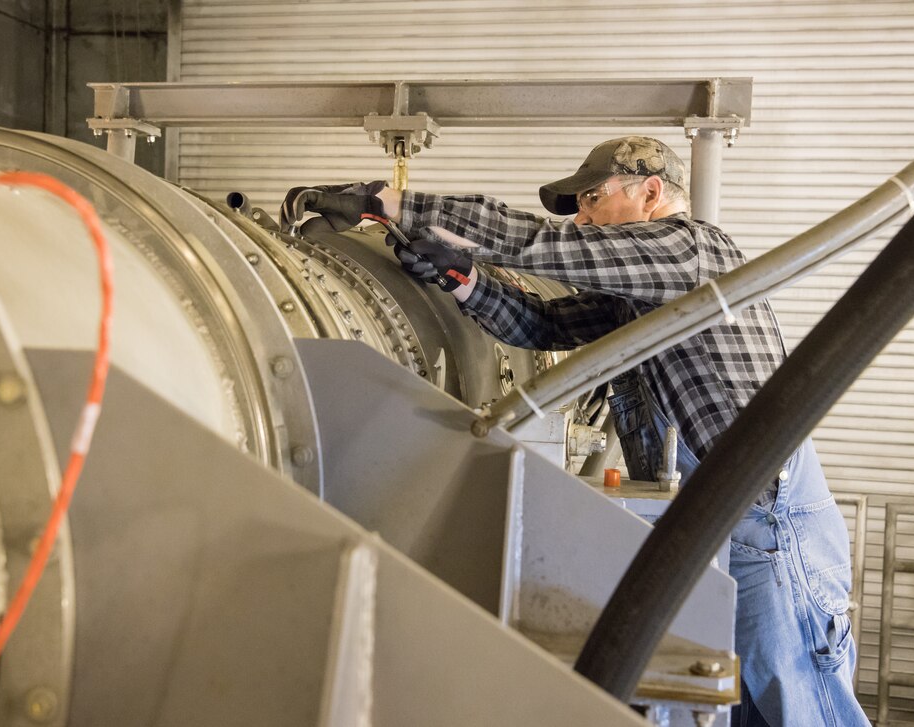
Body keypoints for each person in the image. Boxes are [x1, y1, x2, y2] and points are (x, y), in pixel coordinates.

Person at [281, 136, 870, 727]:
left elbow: (540, 244)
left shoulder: (691, 250)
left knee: (806, 711)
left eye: (592, 199)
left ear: (651, 192)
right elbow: (542, 322)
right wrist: (461, 277)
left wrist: (391, 204)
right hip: (709, 530)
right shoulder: (635, 298)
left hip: (766, 530)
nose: (584, 218)